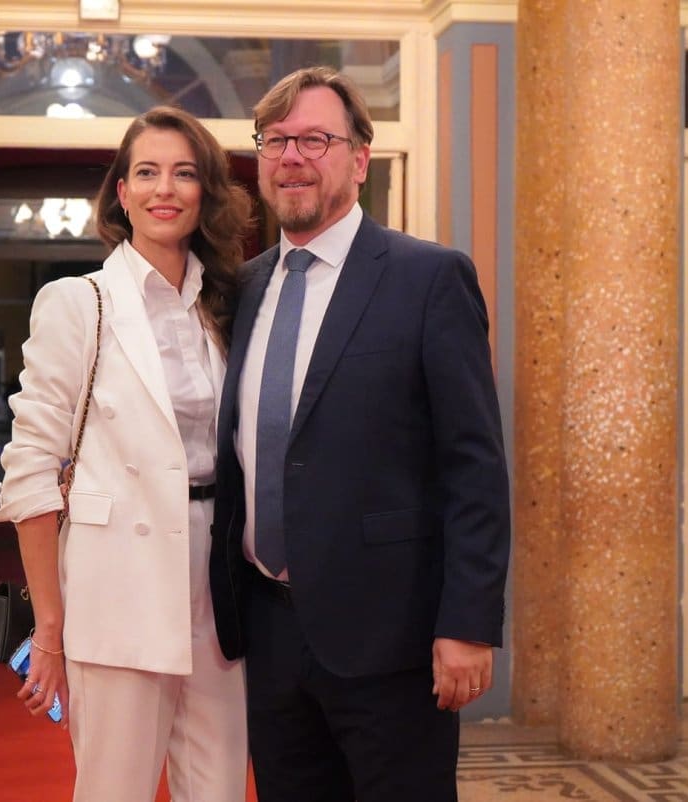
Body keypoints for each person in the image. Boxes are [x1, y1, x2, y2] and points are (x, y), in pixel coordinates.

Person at [207, 66, 512, 802]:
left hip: (391, 638)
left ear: (360, 159)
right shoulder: (243, 288)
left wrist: (468, 624)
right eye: (275, 141)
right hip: (269, 634)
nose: (292, 157)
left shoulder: (428, 278)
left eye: (315, 139)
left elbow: (474, 466)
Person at [0, 106, 252, 802]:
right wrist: (49, 628)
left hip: (219, 585)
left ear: (206, 192)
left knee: (220, 791)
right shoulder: (78, 304)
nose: (165, 188)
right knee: (115, 791)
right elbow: (30, 471)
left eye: (184, 173)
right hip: (117, 586)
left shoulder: (227, 306)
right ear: (122, 193)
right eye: (147, 172)